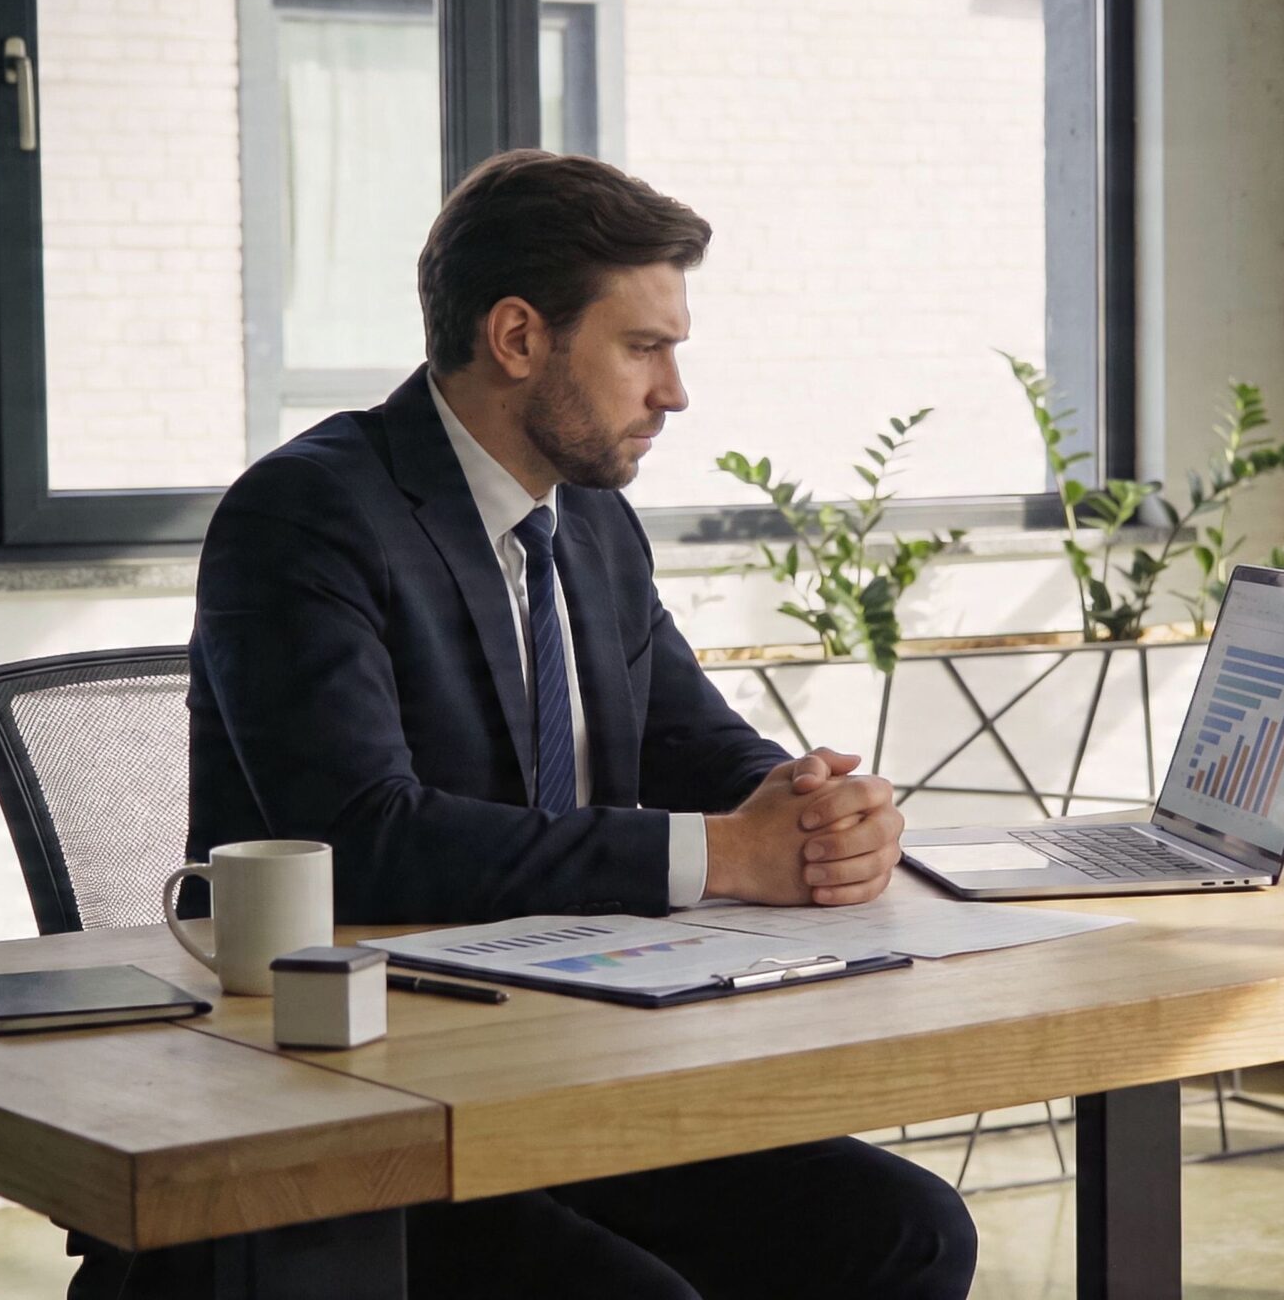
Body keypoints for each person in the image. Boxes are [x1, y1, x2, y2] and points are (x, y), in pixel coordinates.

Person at [72, 150, 976, 1300]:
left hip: (566, 1057)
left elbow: (689, 740)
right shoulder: (306, 514)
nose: (675, 393)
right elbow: (362, 835)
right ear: (516, 338)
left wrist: (809, 805)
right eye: (643, 348)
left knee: (906, 1231)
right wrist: (724, 853)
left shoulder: (591, 524)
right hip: (358, 1103)